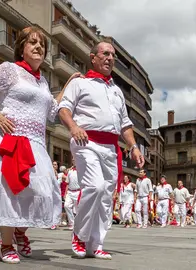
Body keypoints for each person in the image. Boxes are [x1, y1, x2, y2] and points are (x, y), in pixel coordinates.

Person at [0, 26, 78, 264]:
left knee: (39, 191)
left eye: (42, 45)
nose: (38, 47)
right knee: (9, 191)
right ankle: (6, 243)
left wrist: (68, 85)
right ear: (22, 48)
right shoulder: (10, 70)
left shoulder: (43, 82)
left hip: (36, 143)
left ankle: (20, 231)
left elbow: (51, 112)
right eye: (33, 43)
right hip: (10, 139)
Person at [58, 40, 144, 260]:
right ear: (93, 57)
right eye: (105, 53)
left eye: (112, 55)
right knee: (94, 187)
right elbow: (64, 108)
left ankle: (96, 243)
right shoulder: (80, 83)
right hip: (86, 141)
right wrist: (74, 127)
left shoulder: (116, 90)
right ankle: (80, 234)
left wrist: (133, 146)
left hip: (110, 147)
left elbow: (125, 124)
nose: (110, 58)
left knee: (106, 196)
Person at [64, 160, 80, 230]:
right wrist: (65, 193)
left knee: (77, 209)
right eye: (73, 160)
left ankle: (78, 223)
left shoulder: (81, 170)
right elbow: (67, 183)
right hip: (70, 192)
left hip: (78, 192)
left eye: (75, 159)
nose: (74, 161)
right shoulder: (70, 171)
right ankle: (71, 223)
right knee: (66, 205)